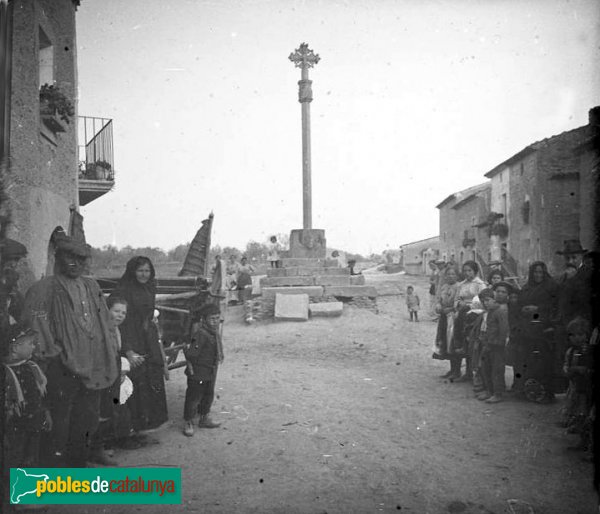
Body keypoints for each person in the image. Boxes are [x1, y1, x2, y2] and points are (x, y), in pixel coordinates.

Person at [23, 230, 119, 466]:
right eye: (70, 257)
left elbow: (104, 323)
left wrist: (107, 352)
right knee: (59, 419)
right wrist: (55, 356)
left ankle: (78, 462)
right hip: (61, 367)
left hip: (92, 365)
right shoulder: (44, 289)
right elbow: (35, 327)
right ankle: (53, 470)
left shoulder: (91, 286)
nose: (76, 263)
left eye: (82, 259)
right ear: (58, 257)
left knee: (87, 417)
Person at [114, 256, 169, 433]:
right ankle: (134, 429)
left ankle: (150, 424)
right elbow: (121, 323)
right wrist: (128, 351)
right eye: (140, 270)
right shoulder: (123, 290)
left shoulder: (149, 287)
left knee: (153, 376)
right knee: (135, 383)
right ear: (132, 271)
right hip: (131, 338)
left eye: (147, 270)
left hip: (148, 338)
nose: (144, 274)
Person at [3, 324, 51, 470]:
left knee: (31, 458)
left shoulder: (32, 368)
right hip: (15, 427)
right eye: (30, 344)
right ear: (15, 348)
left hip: (35, 422)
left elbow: (42, 394)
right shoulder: (6, 373)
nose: (34, 347)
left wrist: (46, 414)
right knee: (14, 458)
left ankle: (29, 488)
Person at [89, 296, 129, 465]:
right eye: (116, 311)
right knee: (98, 413)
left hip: (112, 373)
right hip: (101, 375)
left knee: (108, 411)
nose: (120, 315)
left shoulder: (116, 330)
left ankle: (99, 448)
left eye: (123, 313)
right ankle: (92, 451)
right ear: (107, 310)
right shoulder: (101, 331)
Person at [515, 261, 559, 398]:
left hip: (544, 329)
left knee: (544, 361)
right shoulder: (527, 287)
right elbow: (519, 304)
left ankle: (546, 393)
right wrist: (523, 309)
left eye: (540, 272)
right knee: (527, 359)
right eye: (535, 272)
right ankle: (529, 391)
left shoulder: (551, 287)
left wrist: (538, 309)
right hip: (528, 328)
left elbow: (555, 306)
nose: (538, 275)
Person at [183, 303, 224, 436]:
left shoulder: (214, 333)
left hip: (210, 372)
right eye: (212, 318)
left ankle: (204, 417)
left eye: (217, 318)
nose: (215, 321)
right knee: (194, 397)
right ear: (204, 319)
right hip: (198, 373)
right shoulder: (201, 334)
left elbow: (217, 348)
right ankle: (188, 421)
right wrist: (196, 367)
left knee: (208, 395)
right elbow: (191, 354)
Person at [561, 317, 593, 451]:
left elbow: (587, 369)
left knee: (585, 412)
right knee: (576, 410)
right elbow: (566, 366)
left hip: (585, 388)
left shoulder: (588, 351)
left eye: (581, 335)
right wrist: (567, 370)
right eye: (573, 335)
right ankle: (579, 432)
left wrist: (578, 370)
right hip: (575, 386)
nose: (577, 338)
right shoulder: (570, 351)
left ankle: (585, 441)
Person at [452, 261, 486, 382]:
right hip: (461, 316)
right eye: (465, 270)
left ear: (475, 271)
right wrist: (458, 304)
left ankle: (470, 373)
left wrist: (469, 305)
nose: (467, 273)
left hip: (474, 317)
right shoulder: (461, 285)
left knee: (470, 343)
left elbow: (484, 301)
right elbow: (456, 299)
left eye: (470, 270)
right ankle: (458, 371)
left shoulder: (480, 284)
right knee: (459, 341)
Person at [478, 284, 510, 403]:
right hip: (488, 344)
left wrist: (500, 343)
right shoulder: (490, 311)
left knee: (497, 370)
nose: (485, 303)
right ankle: (489, 391)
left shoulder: (499, 311)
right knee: (486, 368)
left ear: (493, 299)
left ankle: (498, 393)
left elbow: (503, 329)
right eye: (483, 301)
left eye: (488, 300)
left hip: (497, 346)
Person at [432, 266, 459, 375]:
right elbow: (438, 299)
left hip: (454, 317)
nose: (450, 276)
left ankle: (457, 370)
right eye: (448, 274)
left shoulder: (459, 286)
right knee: (446, 342)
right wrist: (438, 305)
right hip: (444, 317)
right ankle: (452, 369)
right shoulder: (443, 287)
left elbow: (459, 301)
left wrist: (452, 308)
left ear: (457, 276)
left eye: (453, 274)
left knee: (453, 342)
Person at [0, 238, 28, 328]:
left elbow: (22, 312)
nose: (13, 264)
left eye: (17, 260)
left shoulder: (9, 279)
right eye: (11, 259)